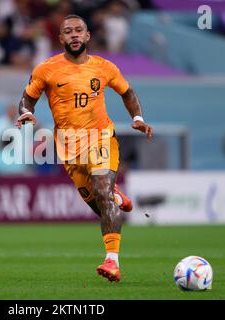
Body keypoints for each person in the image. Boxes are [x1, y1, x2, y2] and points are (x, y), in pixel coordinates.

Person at [15, 14, 152, 282]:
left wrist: (137, 118)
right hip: (68, 148)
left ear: (88, 36)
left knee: (102, 191)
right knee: (101, 207)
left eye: (79, 30)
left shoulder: (104, 67)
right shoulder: (46, 69)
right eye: (69, 31)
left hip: (100, 138)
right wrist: (25, 113)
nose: (74, 35)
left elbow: (127, 92)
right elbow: (26, 99)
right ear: (61, 38)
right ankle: (116, 197)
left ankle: (112, 262)